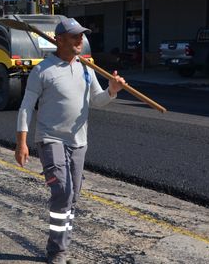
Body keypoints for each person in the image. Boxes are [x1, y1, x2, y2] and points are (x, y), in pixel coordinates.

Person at [14, 17, 126, 264]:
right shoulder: (42, 71)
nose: (80, 40)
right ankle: (57, 251)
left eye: (81, 36)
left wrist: (112, 91)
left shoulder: (87, 69)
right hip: (50, 139)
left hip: (79, 142)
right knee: (63, 192)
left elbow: (97, 100)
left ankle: (60, 243)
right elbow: (25, 107)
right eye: (75, 36)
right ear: (59, 40)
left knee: (72, 196)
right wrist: (21, 142)